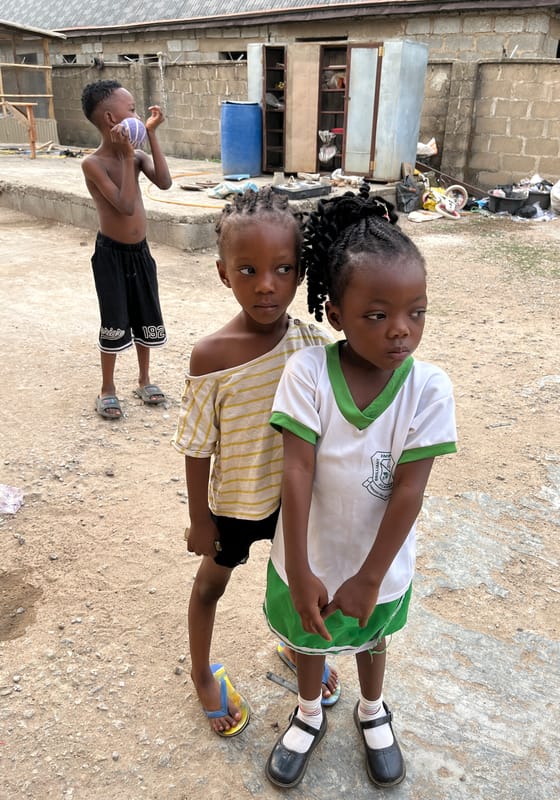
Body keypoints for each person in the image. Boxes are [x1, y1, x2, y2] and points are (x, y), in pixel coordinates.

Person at [264, 186, 457, 788]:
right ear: (336, 314)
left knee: (373, 637)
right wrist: (298, 566)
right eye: (377, 315)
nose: (401, 330)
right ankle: (309, 709)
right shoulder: (307, 373)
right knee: (308, 633)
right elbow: (296, 469)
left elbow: (409, 491)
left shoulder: (428, 389)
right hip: (310, 550)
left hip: (383, 561)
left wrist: (372, 576)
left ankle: (372, 710)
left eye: (416, 312)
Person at [172, 187, 340, 737]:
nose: (266, 284)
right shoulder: (211, 355)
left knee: (302, 582)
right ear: (223, 273)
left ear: (300, 272)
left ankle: (296, 647)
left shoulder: (312, 345)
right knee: (210, 587)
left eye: (282, 268)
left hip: (298, 506)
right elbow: (198, 446)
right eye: (247, 270)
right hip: (236, 506)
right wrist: (201, 518)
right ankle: (201, 672)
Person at [81, 79, 172, 420]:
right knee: (115, 318)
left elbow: (164, 182)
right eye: (131, 110)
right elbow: (125, 206)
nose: (136, 113)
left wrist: (151, 135)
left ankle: (144, 379)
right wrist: (124, 155)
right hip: (111, 255)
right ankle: (108, 388)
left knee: (145, 313)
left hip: (140, 252)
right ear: (109, 118)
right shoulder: (94, 163)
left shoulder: (137, 156)